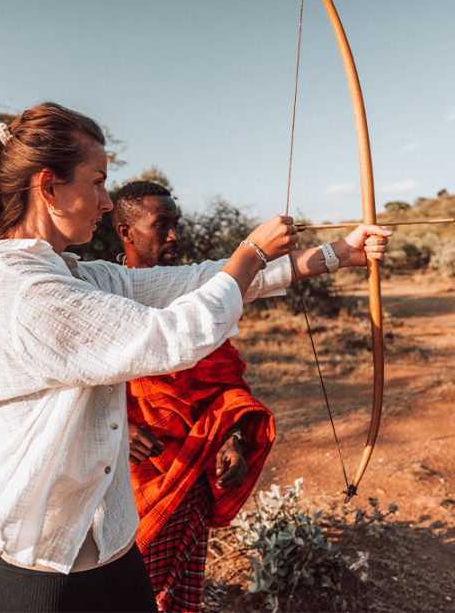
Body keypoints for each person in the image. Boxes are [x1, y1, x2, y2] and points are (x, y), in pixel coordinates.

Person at [0, 102, 390, 613]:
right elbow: (169, 336)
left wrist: (339, 252)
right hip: (42, 571)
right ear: (49, 187)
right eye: (96, 183)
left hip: (111, 551)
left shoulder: (72, 272)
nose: (103, 202)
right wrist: (251, 251)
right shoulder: (21, 284)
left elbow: (191, 282)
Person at [111, 181, 275, 612]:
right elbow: (75, 386)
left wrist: (233, 439)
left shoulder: (198, 295)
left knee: (178, 593)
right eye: (159, 225)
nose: (174, 237)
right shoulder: (103, 294)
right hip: (129, 474)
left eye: (175, 224)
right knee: (123, 591)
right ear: (126, 232)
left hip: (193, 467)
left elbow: (225, 383)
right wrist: (116, 429)